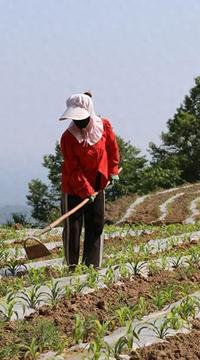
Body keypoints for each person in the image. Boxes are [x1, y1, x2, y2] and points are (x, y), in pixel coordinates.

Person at [58, 92, 119, 269]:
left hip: (98, 185)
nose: (78, 122)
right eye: (75, 119)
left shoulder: (104, 126)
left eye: (81, 118)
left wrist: (113, 170)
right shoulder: (68, 138)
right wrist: (86, 190)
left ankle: (92, 265)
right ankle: (72, 267)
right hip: (73, 188)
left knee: (96, 225)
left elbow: (112, 148)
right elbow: (73, 168)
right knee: (73, 229)